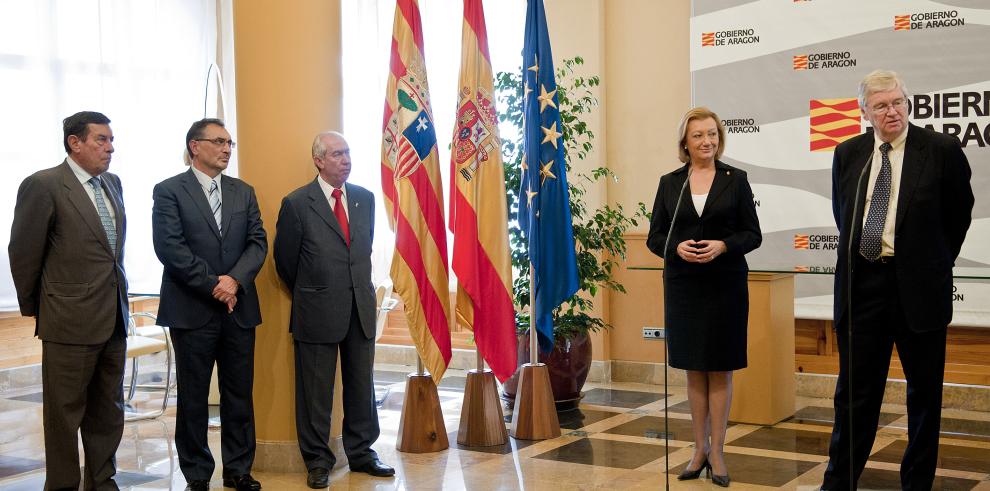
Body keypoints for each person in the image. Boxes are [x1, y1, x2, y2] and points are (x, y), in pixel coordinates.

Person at [822, 70, 973, 490]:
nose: (893, 112)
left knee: (923, 400)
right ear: (864, 112)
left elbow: (958, 216)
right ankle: (838, 484)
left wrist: (932, 264)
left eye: (898, 102)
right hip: (862, 289)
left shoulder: (939, 149)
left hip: (919, 293)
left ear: (908, 102)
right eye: (882, 106)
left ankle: (916, 485)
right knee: (854, 398)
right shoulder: (849, 153)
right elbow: (844, 215)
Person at [8, 111, 128, 490]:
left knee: (108, 410)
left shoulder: (112, 183)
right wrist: (38, 309)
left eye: (111, 140)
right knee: (64, 414)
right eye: (101, 140)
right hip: (68, 318)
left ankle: (102, 480)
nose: (110, 148)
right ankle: (61, 484)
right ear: (74, 142)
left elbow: (110, 253)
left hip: (113, 317)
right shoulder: (43, 185)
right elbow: (24, 253)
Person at [647, 107, 762, 488]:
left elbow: (752, 234)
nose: (707, 141)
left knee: (720, 367)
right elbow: (655, 236)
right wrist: (674, 248)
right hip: (685, 287)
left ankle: (718, 452)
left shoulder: (736, 179)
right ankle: (698, 450)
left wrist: (723, 245)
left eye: (712, 134)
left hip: (725, 285)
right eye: (698, 136)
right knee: (694, 367)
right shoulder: (670, 183)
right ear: (686, 142)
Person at [273, 131, 394, 489]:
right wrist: (317, 289)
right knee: (316, 392)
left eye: (348, 153)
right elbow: (286, 262)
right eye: (337, 154)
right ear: (319, 160)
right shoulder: (297, 203)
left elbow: (363, 249)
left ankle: (362, 452)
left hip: (360, 307)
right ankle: (317, 461)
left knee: (361, 386)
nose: (346, 159)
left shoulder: (364, 199)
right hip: (317, 309)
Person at [152, 118, 267, 491]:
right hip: (191, 309)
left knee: (239, 394)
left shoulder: (243, 191)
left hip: (238, 309)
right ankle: (197, 473)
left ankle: (238, 469)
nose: (227, 149)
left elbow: (257, 243)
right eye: (219, 142)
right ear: (195, 146)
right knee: (194, 396)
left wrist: (234, 280)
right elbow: (170, 248)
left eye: (230, 143)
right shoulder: (169, 191)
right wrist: (213, 285)